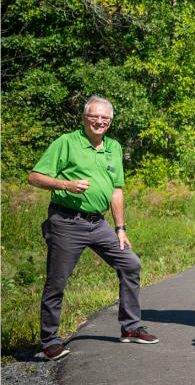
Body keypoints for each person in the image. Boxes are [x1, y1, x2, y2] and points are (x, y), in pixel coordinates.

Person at [28, 96, 159, 360]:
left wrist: (120, 227)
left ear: (110, 122)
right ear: (85, 118)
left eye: (105, 118)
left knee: (130, 263)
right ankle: (50, 341)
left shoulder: (113, 147)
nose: (99, 122)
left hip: (98, 223)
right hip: (66, 222)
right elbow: (34, 177)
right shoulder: (66, 142)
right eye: (94, 117)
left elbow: (116, 190)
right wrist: (65, 185)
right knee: (57, 281)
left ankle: (131, 328)